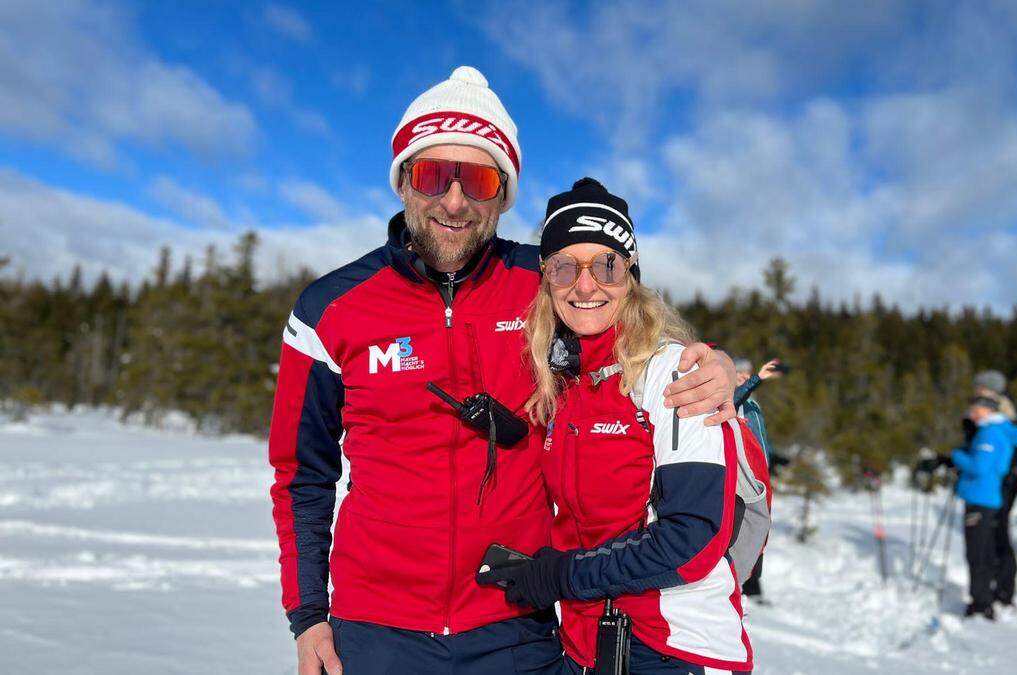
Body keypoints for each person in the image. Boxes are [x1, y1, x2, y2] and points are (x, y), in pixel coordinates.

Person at [266, 68, 737, 675]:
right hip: (375, 629)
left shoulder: (543, 283)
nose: (455, 201)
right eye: (435, 174)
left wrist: (715, 364)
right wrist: (308, 617)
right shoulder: (331, 308)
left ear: (503, 194)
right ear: (405, 181)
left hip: (517, 625)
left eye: (481, 179)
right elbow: (302, 475)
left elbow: (627, 324)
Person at [481, 178, 753, 674]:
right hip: (588, 648)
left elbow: (691, 540)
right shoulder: (562, 383)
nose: (586, 286)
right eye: (565, 267)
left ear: (631, 276)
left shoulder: (674, 374)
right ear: (546, 281)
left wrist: (562, 575)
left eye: (607, 264)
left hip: (676, 650)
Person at [952, 395, 1017, 620]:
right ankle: (986, 597)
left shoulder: (990, 432)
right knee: (985, 550)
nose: (972, 413)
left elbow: (980, 466)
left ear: (987, 410)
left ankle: (981, 603)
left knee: (977, 552)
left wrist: (957, 456)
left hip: (980, 497)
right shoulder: (996, 430)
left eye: (975, 409)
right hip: (984, 496)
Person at [734, 356, 782, 604]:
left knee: (762, 526)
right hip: (742, 478)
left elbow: (761, 439)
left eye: (747, 372)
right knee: (747, 527)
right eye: (739, 372)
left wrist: (775, 459)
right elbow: (733, 399)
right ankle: (742, 584)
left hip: (760, 475)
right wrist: (756, 380)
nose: (744, 376)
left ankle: (752, 584)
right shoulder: (730, 399)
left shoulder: (753, 406)